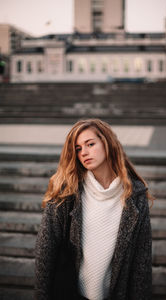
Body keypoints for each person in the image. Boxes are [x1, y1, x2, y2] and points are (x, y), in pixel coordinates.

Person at [35, 118, 153, 300]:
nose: (84, 153)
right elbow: (45, 253)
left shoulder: (135, 196)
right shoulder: (66, 193)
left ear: (107, 143)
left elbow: (141, 263)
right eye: (78, 148)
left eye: (90, 144)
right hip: (70, 293)